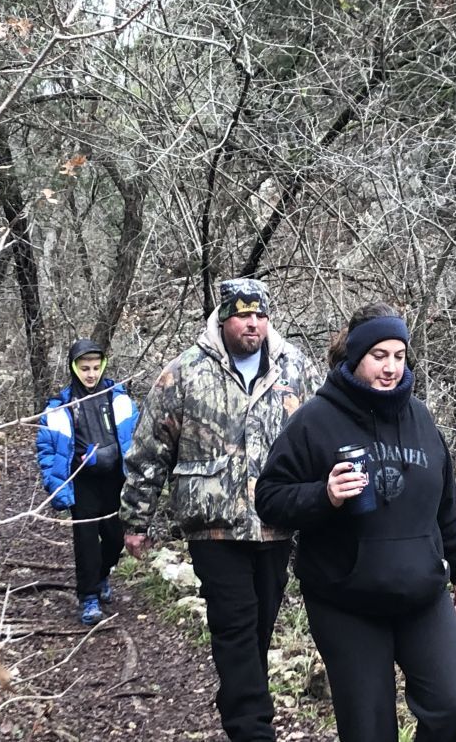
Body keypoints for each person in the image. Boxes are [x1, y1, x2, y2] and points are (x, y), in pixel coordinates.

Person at [255, 302, 456, 742]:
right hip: (345, 600)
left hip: (421, 592)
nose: (391, 367)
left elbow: (444, 501)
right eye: (379, 355)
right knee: (369, 731)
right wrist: (324, 495)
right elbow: (269, 498)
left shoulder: (421, 417)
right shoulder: (315, 421)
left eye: (399, 355)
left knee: (452, 707)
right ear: (355, 356)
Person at [121, 278, 320, 742]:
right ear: (223, 318)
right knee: (233, 626)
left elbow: (321, 438)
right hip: (213, 526)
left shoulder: (296, 369)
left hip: (276, 524)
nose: (252, 323)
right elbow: (151, 449)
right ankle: (253, 729)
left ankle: (239, 702)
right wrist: (136, 519)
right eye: (242, 315)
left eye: (259, 315)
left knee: (257, 630)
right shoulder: (184, 372)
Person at [37, 338, 138, 626]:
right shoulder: (60, 405)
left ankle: (103, 573)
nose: (91, 374)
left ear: (103, 366)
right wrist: (56, 479)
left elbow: (136, 435)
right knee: (85, 541)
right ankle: (89, 597)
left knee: (116, 537)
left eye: (95, 367)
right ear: (74, 368)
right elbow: (47, 448)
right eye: (84, 368)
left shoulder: (118, 398)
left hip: (115, 479)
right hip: (81, 481)